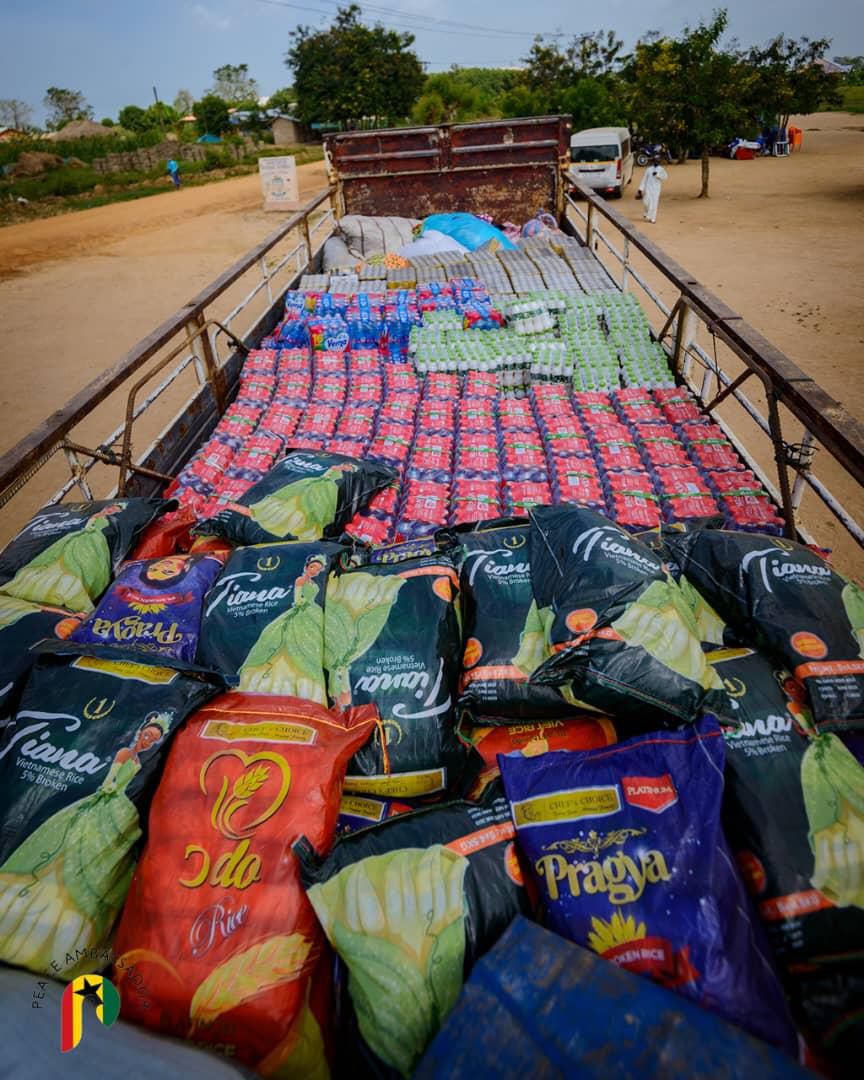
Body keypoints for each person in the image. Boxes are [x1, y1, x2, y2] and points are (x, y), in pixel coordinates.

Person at [0, 712, 172, 975]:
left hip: (119, 809)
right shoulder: (125, 753)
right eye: (147, 735)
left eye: (154, 740)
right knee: (66, 852)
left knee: (98, 864)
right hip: (103, 805)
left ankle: (64, 937)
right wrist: (109, 791)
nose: (148, 741)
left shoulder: (139, 761)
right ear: (140, 732)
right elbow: (109, 781)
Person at [636, 156, 668, 224]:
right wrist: (640, 189)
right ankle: (646, 212)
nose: (656, 161)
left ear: (659, 161)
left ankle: (653, 218)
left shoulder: (661, 169)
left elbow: (665, 177)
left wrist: (657, 175)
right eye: (655, 160)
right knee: (646, 202)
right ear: (653, 161)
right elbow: (644, 179)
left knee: (654, 203)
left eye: (658, 160)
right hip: (648, 188)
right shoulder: (649, 169)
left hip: (656, 189)